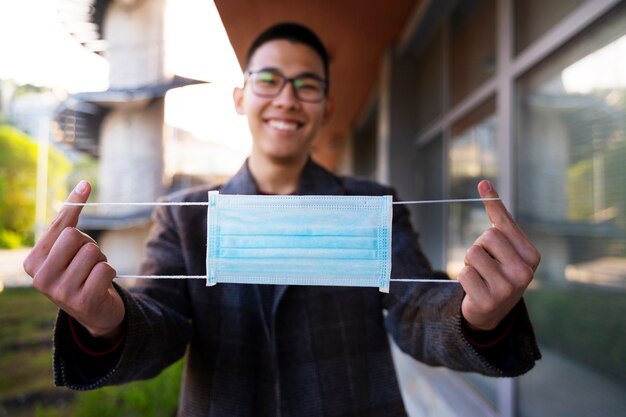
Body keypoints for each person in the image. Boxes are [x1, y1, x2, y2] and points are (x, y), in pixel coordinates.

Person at [24, 22, 541, 417]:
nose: (287, 99)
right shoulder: (187, 214)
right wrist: (105, 321)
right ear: (240, 97)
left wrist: (476, 314)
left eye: (307, 85)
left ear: (326, 107)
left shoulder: (370, 204)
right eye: (268, 80)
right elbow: (161, 325)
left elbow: (416, 308)